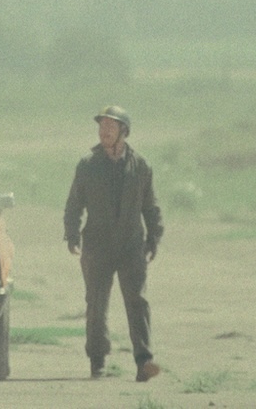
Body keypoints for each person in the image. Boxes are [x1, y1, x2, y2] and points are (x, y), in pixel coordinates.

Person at [63, 105, 163, 382]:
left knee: (138, 302)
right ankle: (98, 361)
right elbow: (74, 204)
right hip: (97, 245)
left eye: (110, 126)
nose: (104, 131)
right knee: (96, 303)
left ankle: (144, 361)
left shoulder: (141, 166)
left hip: (132, 245)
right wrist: (71, 235)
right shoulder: (87, 165)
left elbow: (150, 206)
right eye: (101, 126)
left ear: (123, 132)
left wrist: (154, 237)